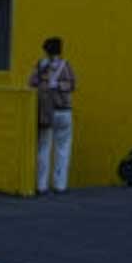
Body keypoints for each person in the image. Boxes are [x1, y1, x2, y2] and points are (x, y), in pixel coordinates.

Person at [29, 36, 76, 194]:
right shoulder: (66, 66)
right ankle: (60, 185)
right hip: (64, 111)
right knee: (62, 149)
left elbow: (31, 83)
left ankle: (41, 185)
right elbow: (73, 85)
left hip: (46, 112)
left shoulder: (41, 66)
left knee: (43, 148)